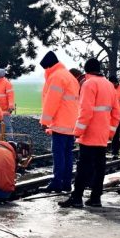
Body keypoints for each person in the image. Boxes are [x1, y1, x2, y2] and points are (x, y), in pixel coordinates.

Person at [60, 58, 120, 209]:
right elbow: (117, 113)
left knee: (83, 168)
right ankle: (95, 198)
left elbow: (86, 111)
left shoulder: (88, 84)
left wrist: (78, 131)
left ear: (86, 71)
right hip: (102, 135)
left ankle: (77, 198)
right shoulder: (109, 85)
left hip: (89, 134)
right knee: (100, 167)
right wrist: (110, 133)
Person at [39, 51, 80, 193]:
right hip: (71, 123)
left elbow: (52, 101)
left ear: (48, 66)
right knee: (68, 154)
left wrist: (45, 121)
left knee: (59, 155)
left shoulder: (56, 77)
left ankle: (57, 183)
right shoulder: (69, 76)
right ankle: (67, 183)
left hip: (61, 123)